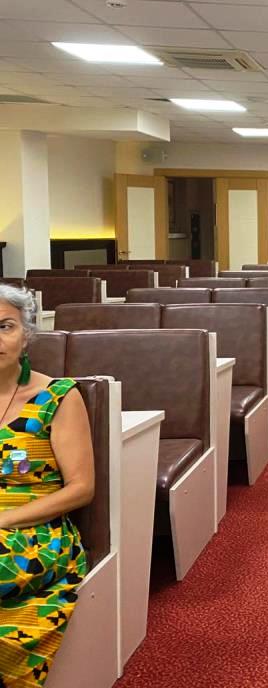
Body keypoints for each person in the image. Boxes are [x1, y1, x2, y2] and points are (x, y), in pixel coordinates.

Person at [0, 284, 94, 686]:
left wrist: (5, 519)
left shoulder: (57, 396)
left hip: (37, 529)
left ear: (26, 336)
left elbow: (81, 487)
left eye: (4, 326)